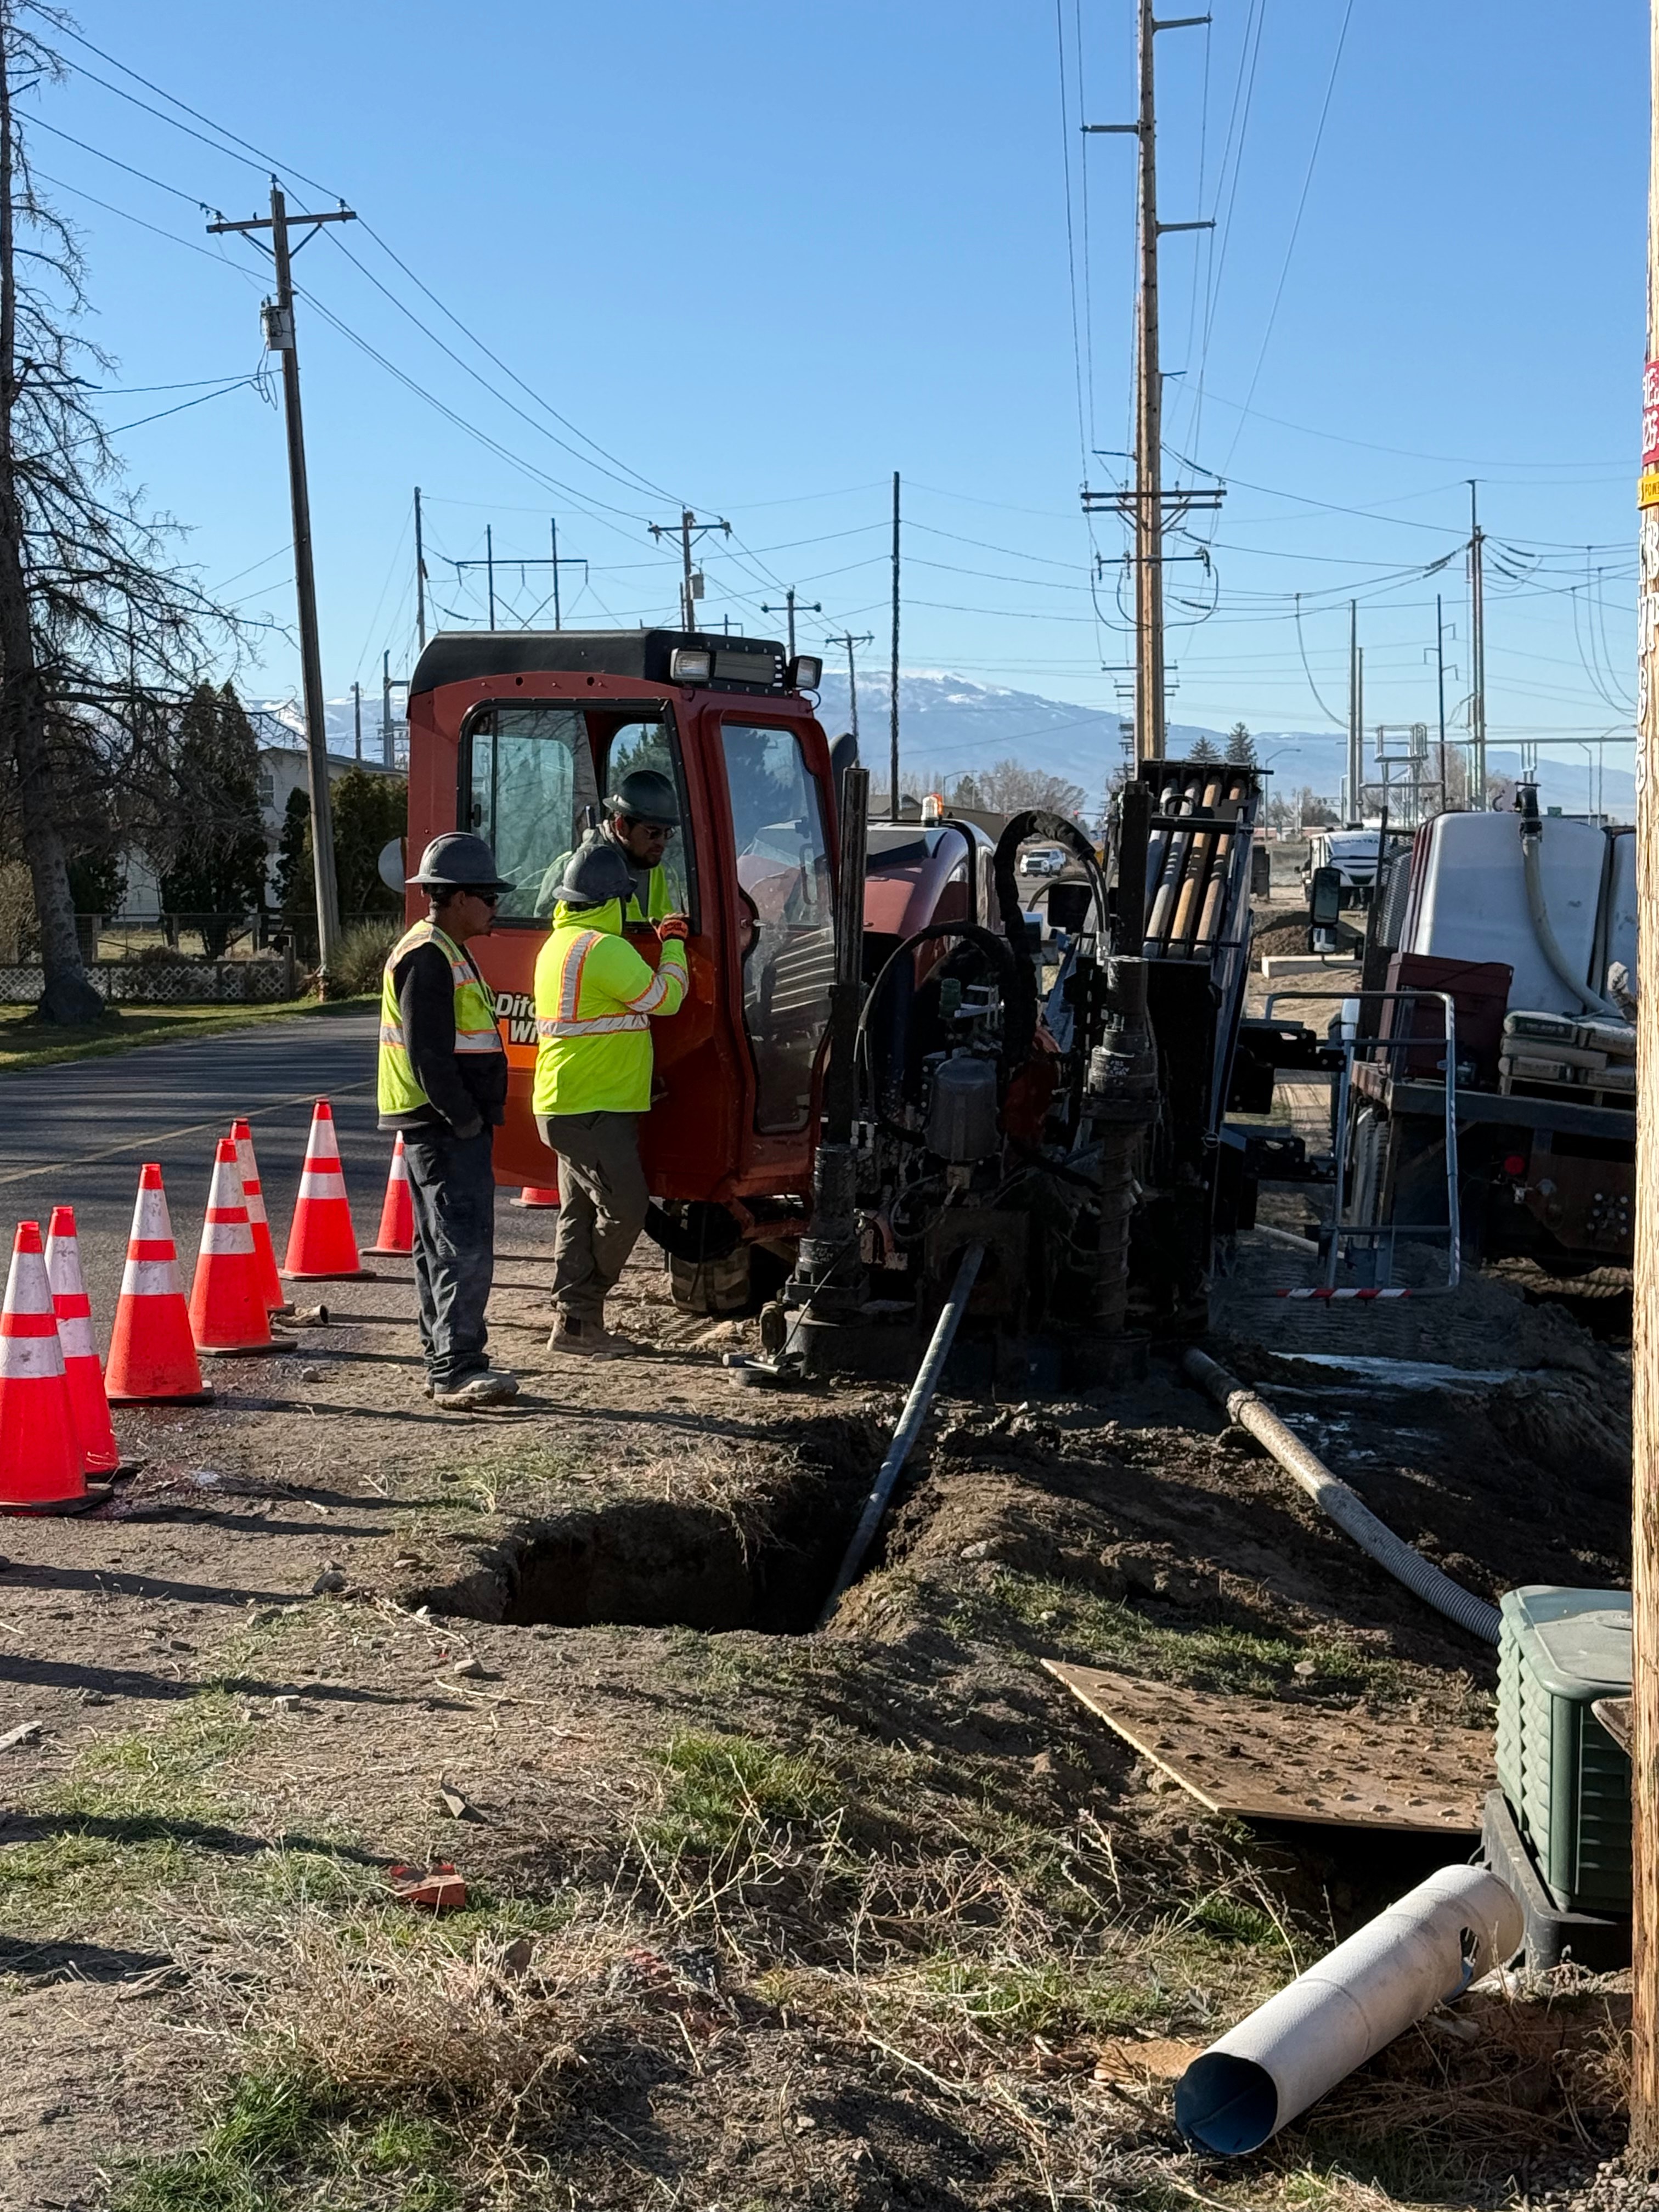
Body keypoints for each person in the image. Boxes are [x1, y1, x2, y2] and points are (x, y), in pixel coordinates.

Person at [379, 832, 519, 1408]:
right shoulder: (429, 956)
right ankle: (457, 1367)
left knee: (441, 1246)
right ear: (458, 897)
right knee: (462, 1246)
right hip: (442, 1128)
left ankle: (446, 1358)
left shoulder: (442, 948)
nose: (495, 907)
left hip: (438, 1126)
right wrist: (463, 1117)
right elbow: (429, 1055)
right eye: (489, 897)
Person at [533, 842, 689, 1357]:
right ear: (614, 901)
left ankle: (575, 1327)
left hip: (566, 1102)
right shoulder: (603, 948)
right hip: (593, 1107)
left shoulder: (558, 944)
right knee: (626, 1207)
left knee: (578, 1214)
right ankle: (581, 1308)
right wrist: (673, 944)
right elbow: (665, 999)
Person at [538, 766, 680, 923]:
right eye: (653, 833)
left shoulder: (660, 872)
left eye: (668, 832)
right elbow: (546, 933)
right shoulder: (570, 869)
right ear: (621, 825)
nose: (662, 842)